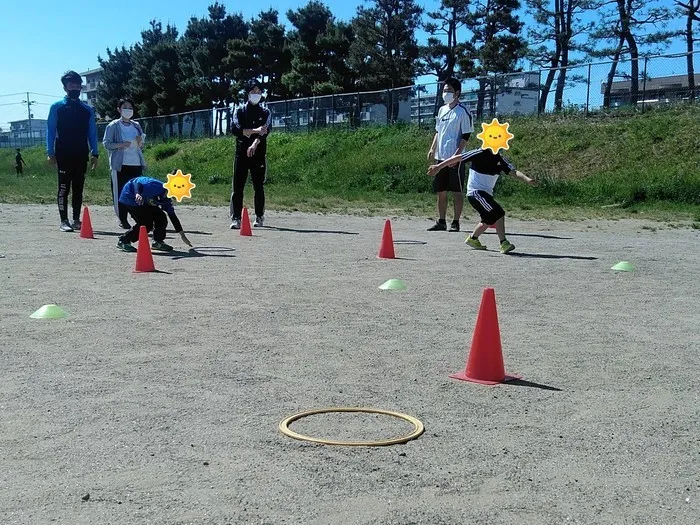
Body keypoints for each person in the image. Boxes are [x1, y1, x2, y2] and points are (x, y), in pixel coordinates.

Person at [427, 148, 536, 254]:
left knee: (489, 218)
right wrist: (438, 166)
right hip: (475, 193)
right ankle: (504, 243)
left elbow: (513, 172)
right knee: (498, 213)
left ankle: (473, 239)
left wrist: (527, 179)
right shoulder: (478, 152)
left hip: (486, 195)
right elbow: (458, 157)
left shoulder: (500, 159)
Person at [46, 70, 99, 232]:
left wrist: (95, 153)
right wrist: (50, 152)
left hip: (81, 152)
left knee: (78, 187)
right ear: (65, 87)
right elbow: (50, 130)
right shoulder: (57, 107)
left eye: (77, 84)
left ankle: (76, 220)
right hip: (63, 152)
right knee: (63, 187)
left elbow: (92, 132)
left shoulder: (87, 109)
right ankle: (64, 220)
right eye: (71, 84)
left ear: (81, 87)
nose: (75, 86)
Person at [426, 77, 474, 232]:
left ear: (457, 93)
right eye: (444, 90)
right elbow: (438, 131)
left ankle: (456, 221)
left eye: (449, 91)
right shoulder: (442, 110)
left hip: (455, 158)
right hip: (441, 156)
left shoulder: (462, 112)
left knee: (456, 191)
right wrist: (433, 148)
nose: (446, 93)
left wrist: (457, 155)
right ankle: (441, 221)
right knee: (441, 191)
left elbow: (466, 135)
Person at [229, 80, 272, 230]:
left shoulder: (265, 112)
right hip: (241, 154)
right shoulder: (239, 111)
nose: (256, 95)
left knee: (258, 186)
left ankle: (259, 216)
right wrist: (255, 130)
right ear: (247, 94)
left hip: (258, 153)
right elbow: (237, 130)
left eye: (259, 92)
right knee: (237, 187)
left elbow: (265, 132)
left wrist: (254, 143)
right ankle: (236, 218)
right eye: (253, 92)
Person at [116, 176, 192, 253]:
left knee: (161, 217)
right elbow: (137, 184)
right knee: (146, 223)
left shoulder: (166, 200)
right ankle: (124, 241)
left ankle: (157, 242)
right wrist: (137, 194)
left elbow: (172, 216)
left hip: (144, 201)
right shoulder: (155, 185)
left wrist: (182, 235)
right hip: (130, 196)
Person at [103, 98, 147, 229]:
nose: (128, 110)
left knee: (137, 192)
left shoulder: (136, 125)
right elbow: (106, 144)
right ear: (119, 109)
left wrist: (140, 141)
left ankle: (139, 218)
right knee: (121, 192)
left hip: (136, 163)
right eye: (125, 107)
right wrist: (121, 144)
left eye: (130, 107)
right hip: (120, 165)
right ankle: (122, 219)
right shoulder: (113, 125)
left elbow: (141, 145)